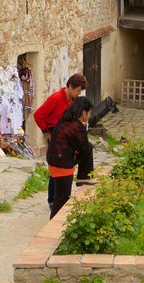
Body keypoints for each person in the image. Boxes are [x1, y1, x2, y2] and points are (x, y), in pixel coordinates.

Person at [33, 73, 88, 213]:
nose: (78, 93)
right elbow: (38, 115)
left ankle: (58, 197)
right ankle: (52, 200)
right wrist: (47, 132)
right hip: (56, 137)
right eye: (77, 90)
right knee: (56, 169)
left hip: (65, 138)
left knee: (62, 169)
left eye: (80, 92)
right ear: (70, 86)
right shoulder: (56, 98)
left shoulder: (71, 100)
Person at [46, 96, 96, 218]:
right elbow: (83, 148)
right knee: (61, 200)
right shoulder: (76, 127)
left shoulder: (65, 120)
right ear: (84, 112)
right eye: (89, 113)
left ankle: (84, 177)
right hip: (62, 165)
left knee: (60, 197)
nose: (89, 116)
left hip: (53, 161)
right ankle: (84, 177)